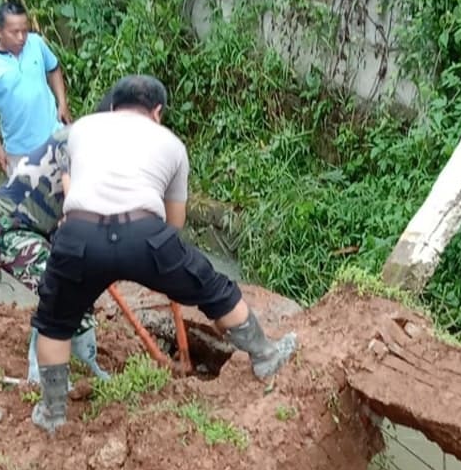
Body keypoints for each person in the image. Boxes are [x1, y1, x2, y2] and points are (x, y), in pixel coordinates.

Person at [29, 75, 297, 433]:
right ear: (157, 112)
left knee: (54, 323)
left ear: (112, 106)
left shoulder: (82, 129)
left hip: (78, 234)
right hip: (144, 233)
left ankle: (53, 415)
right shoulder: (171, 144)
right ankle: (265, 355)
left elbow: (75, 185)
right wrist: (163, 267)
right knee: (215, 289)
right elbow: (174, 223)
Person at [0, 126, 109, 383]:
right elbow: (75, 207)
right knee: (58, 284)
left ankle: (86, 355)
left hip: (39, 231)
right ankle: (39, 367)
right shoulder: (78, 141)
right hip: (6, 230)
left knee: (82, 277)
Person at [0, 1, 71, 177]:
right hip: (19, 150)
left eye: (24, 31)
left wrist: (62, 104)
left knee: (66, 190)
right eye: (14, 32)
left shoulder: (36, 43)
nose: (21, 37)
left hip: (54, 135)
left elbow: (54, 69)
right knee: (26, 201)